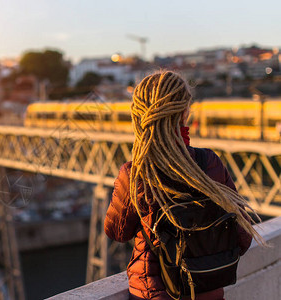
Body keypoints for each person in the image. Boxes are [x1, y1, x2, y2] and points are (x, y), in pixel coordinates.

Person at [104, 71, 265, 300]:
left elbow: (117, 232)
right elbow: (243, 238)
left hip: (153, 294)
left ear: (138, 117)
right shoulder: (209, 163)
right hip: (208, 292)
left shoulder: (136, 172)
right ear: (185, 113)